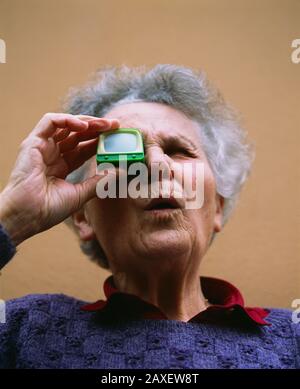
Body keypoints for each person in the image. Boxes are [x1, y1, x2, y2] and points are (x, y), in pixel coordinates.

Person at [0, 65, 298, 369]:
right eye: (127, 154)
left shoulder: (292, 338)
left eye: (179, 150)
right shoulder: (24, 329)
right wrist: (11, 218)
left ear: (218, 206)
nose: (156, 165)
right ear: (83, 216)